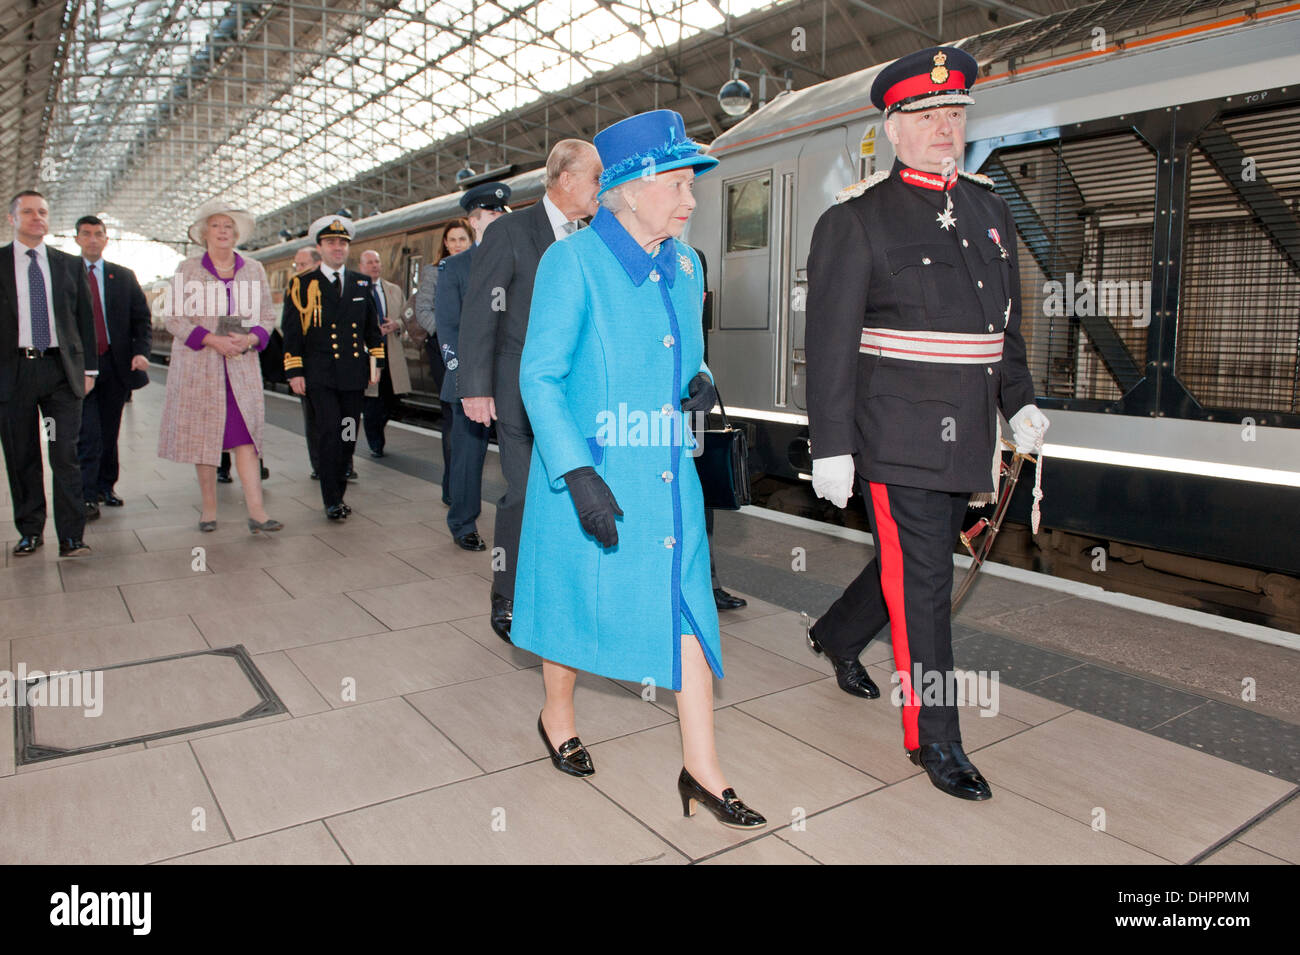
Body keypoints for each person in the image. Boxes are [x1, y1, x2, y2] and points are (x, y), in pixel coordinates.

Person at [804, 46, 1049, 801]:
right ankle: (936, 737)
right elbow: (831, 341)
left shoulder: (988, 207)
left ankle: (838, 634)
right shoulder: (855, 218)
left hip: (968, 431)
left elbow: (1000, 324)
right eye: (929, 116)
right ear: (894, 127)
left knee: (917, 566)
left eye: (955, 115)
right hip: (896, 433)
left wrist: (1021, 399)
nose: (945, 128)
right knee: (927, 585)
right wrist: (833, 443)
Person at [512, 110, 765, 830]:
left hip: (667, 477)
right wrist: (575, 471)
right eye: (678, 184)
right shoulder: (572, 262)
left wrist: (702, 379)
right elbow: (541, 377)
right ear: (626, 188)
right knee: (573, 601)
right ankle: (556, 713)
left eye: (692, 185)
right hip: (591, 472)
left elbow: (683, 353)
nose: (691, 201)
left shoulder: (685, 265)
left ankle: (703, 768)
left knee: (687, 608)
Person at [458, 139, 602, 642]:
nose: (601, 191)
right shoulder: (511, 231)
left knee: (572, 489)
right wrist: (474, 386)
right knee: (522, 493)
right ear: (565, 179)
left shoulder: (592, 238)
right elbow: (481, 311)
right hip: (518, 387)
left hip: (576, 391)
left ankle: (561, 588)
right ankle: (509, 593)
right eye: (595, 179)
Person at [157, 198, 282, 534]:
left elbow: (267, 318)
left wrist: (250, 339)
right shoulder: (188, 269)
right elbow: (174, 318)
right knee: (205, 439)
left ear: (237, 232)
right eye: (216, 225)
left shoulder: (253, 269)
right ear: (204, 233)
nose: (223, 231)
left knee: (246, 439)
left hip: (240, 367)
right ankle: (208, 509)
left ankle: (257, 513)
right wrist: (212, 339)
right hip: (201, 367)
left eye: (229, 226)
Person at [0, 191, 97, 557]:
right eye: (28, 212)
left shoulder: (68, 265)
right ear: (13, 219)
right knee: (21, 453)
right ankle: (30, 531)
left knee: (64, 454)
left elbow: (84, 319)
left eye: (42, 212)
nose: (37, 217)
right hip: (14, 374)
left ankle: (72, 536)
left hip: (60, 372)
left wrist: (89, 369)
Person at [281, 215, 383, 519]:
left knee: (348, 434)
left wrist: (375, 363)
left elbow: (371, 329)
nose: (337, 248)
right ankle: (332, 499)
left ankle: (339, 485)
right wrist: (294, 371)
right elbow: (293, 331)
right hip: (319, 375)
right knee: (328, 433)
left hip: (353, 374)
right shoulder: (302, 284)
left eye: (342, 243)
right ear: (320, 247)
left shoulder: (360, 282)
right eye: (331, 243)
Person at [434, 183, 510, 552]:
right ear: (474, 221)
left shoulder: (517, 258)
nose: (498, 218)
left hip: (511, 376)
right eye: (491, 214)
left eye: (501, 213)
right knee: (467, 457)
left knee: (519, 455)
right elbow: (447, 325)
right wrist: (463, 374)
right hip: (470, 376)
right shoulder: (455, 267)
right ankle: (463, 523)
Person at [72, 215, 151, 520]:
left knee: (109, 431)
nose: (93, 239)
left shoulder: (123, 276)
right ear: (77, 239)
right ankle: (87, 494)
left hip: (115, 366)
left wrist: (140, 352)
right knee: (87, 433)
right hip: (79, 368)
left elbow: (141, 320)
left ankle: (107, 486)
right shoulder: (66, 274)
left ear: (106, 240)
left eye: (98, 234)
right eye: (86, 234)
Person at [413, 218, 471, 505]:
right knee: (452, 415)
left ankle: (464, 481)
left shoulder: (482, 268)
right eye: (453, 240)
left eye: (463, 239)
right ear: (445, 244)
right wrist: (445, 331)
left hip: (475, 348)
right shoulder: (435, 272)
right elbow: (421, 309)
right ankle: (450, 486)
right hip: (443, 350)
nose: (458, 244)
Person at [358, 249, 411, 457]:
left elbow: (407, 316)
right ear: (361, 267)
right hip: (369, 355)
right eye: (369, 262)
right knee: (373, 401)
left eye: (377, 262)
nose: (374, 265)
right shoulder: (357, 289)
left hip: (392, 353)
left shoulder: (394, 290)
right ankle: (375, 442)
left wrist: (395, 324)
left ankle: (377, 432)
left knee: (392, 399)